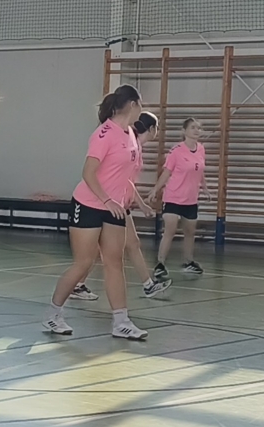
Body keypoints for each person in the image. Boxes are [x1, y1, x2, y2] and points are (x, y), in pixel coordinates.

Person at [44, 85, 152, 340]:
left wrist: (131, 202)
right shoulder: (104, 134)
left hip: (114, 208)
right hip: (89, 204)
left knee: (114, 262)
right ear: (133, 105)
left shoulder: (131, 134)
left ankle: (121, 322)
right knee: (84, 263)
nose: (142, 109)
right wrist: (107, 200)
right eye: (141, 104)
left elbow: (125, 176)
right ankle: (53, 315)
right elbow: (88, 173)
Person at [70, 112, 171, 301]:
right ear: (151, 129)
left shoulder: (135, 145)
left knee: (132, 244)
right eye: (157, 127)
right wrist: (140, 204)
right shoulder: (127, 143)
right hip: (105, 204)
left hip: (120, 204)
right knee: (95, 253)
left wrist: (140, 204)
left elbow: (127, 181)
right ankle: (73, 288)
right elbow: (114, 177)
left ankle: (148, 285)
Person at [151, 117, 211, 278]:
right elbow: (167, 172)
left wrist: (205, 188)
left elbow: (200, 171)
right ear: (184, 131)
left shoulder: (201, 149)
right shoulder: (176, 151)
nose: (197, 130)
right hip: (173, 196)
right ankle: (160, 264)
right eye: (193, 127)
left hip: (191, 199)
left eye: (198, 128)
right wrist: (156, 189)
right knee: (170, 229)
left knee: (190, 231)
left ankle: (188, 262)